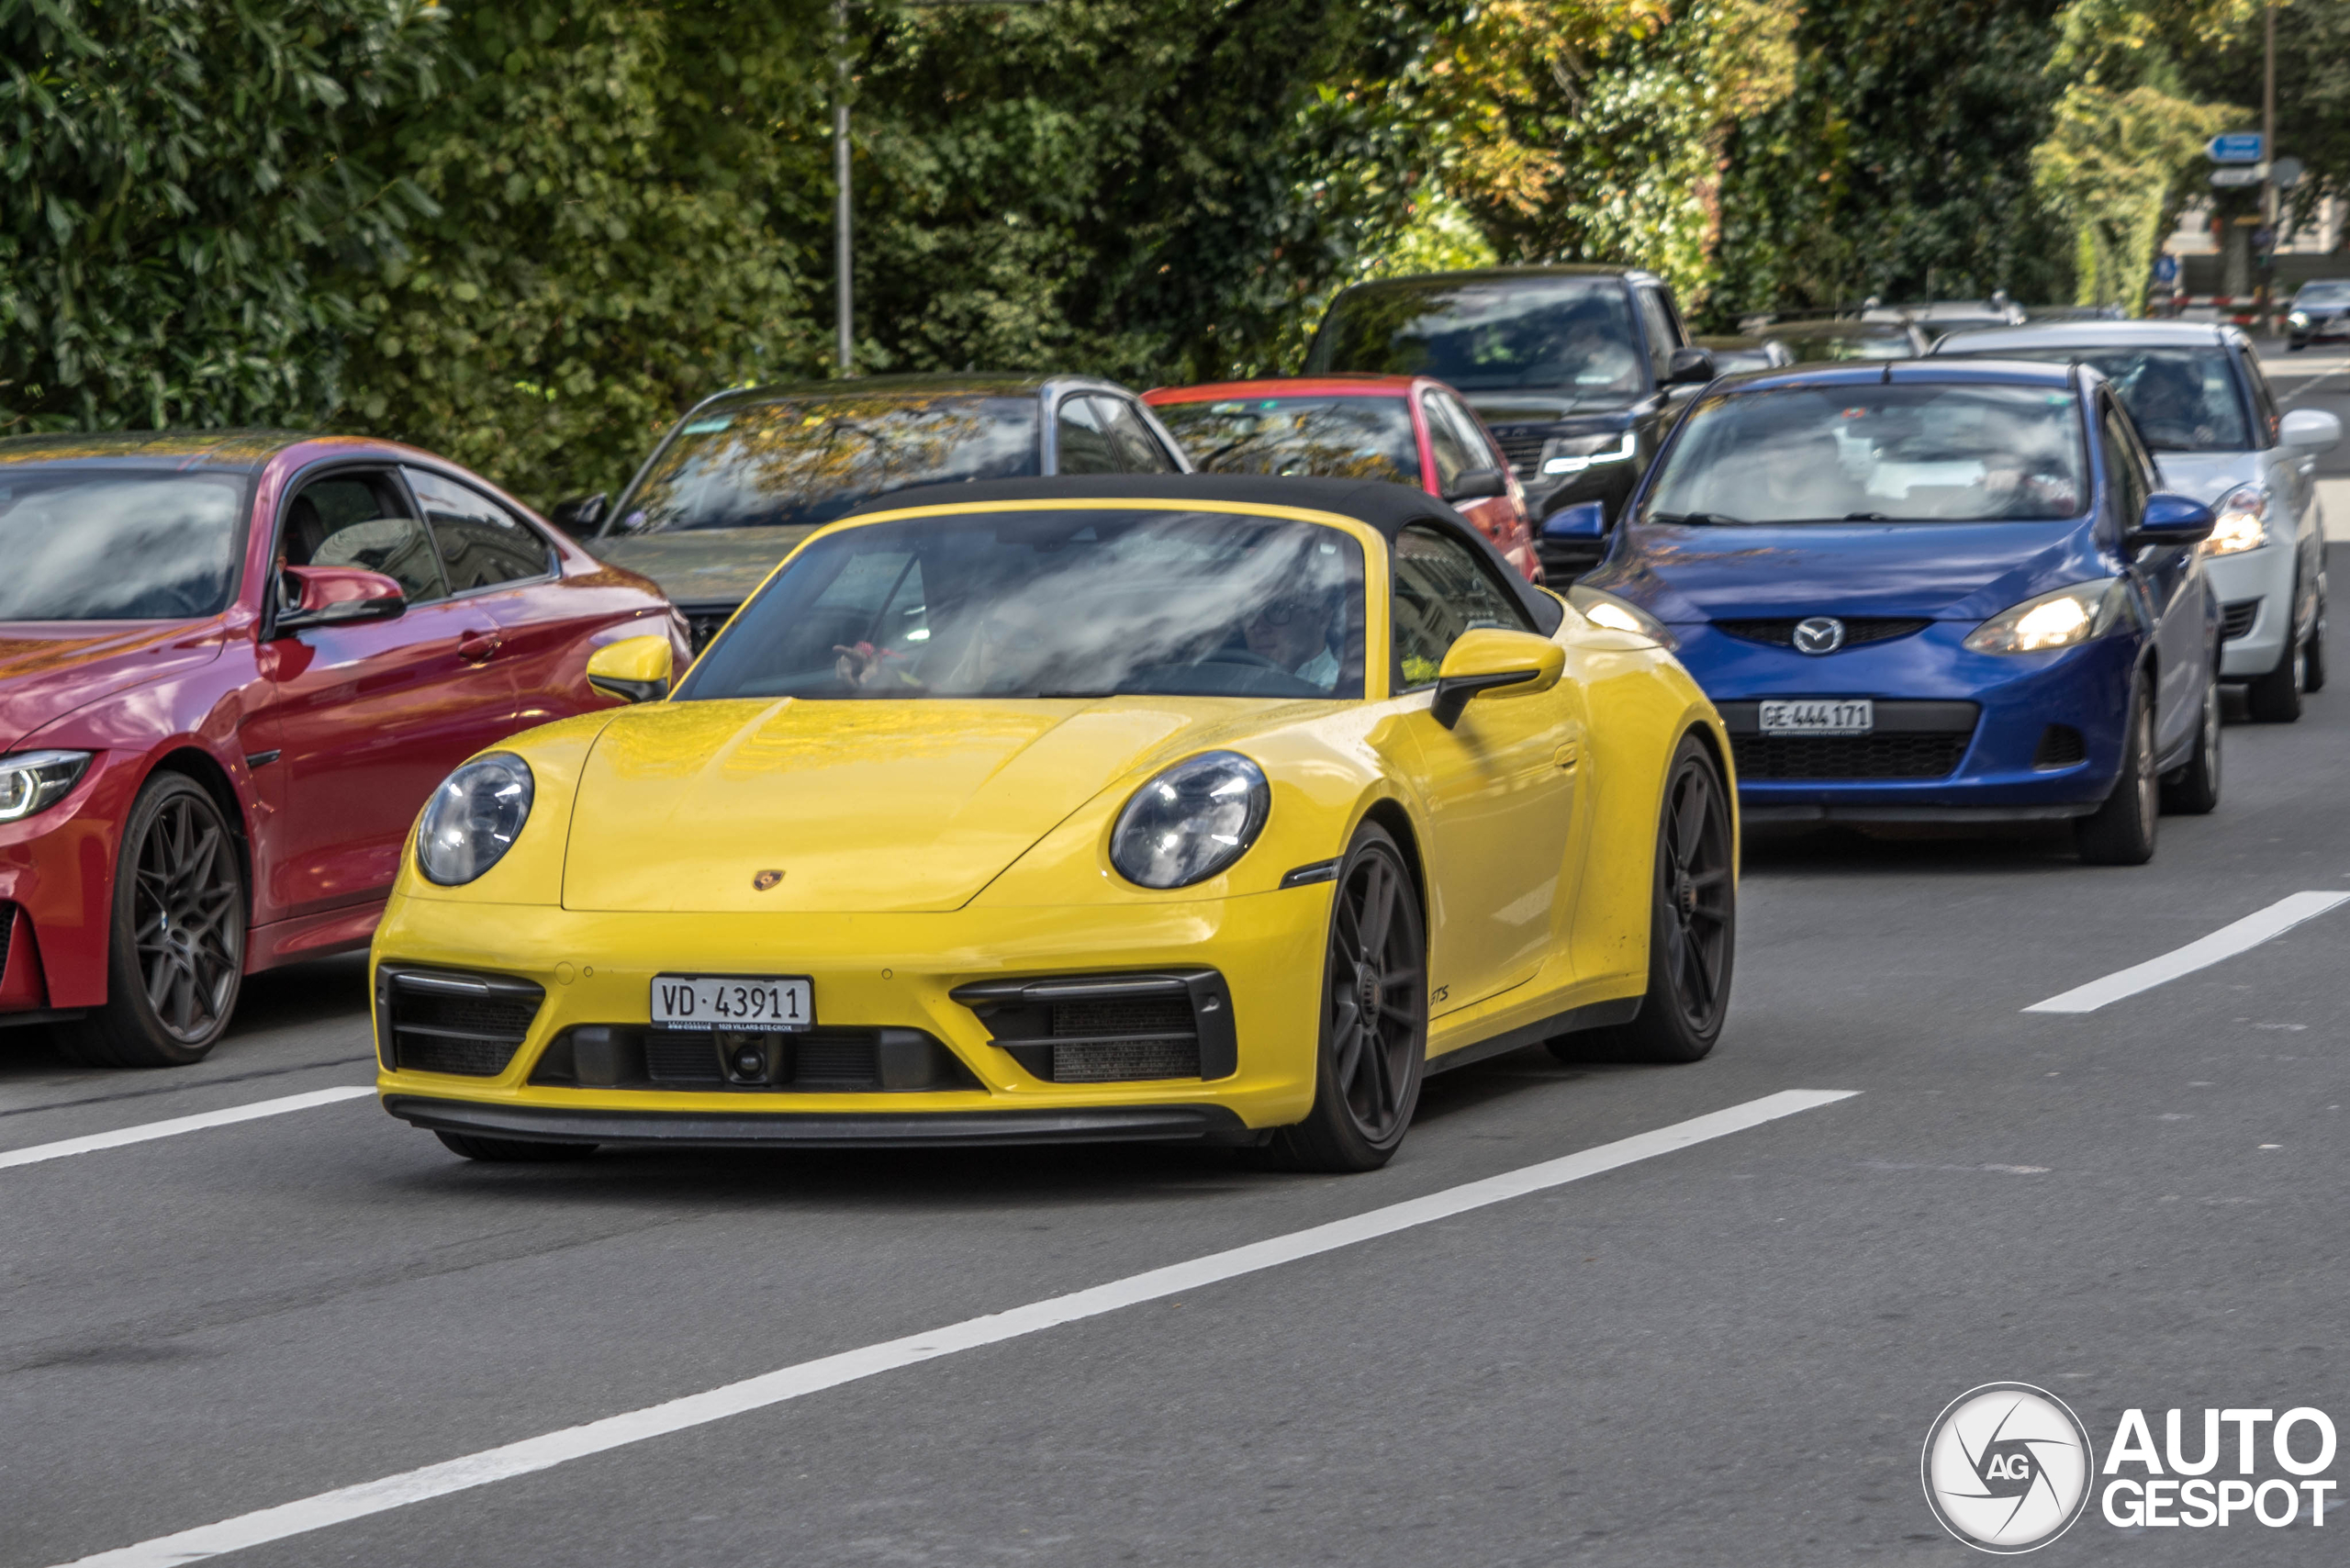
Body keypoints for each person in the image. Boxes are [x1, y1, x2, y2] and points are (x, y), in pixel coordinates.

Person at [1243, 593, 1340, 689]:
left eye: (1277, 609)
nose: (1258, 628)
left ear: (1322, 618)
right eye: (1249, 614)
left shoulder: (1347, 691)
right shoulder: (1234, 685)